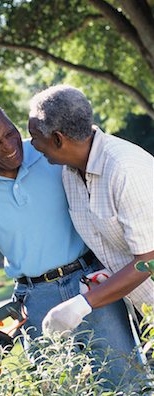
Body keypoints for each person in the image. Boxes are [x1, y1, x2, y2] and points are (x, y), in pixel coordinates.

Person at [0, 97, 140, 387]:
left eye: (9, 132)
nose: (9, 146)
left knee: (125, 381)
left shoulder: (53, 154)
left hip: (92, 282)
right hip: (34, 300)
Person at [28, 84, 154, 336]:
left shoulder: (125, 170)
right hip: (144, 311)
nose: (32, 144)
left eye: (34, 136)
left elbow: (148, 261)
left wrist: (83, 304)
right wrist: (107, 273)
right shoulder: (70, 173)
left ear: (57, 139)